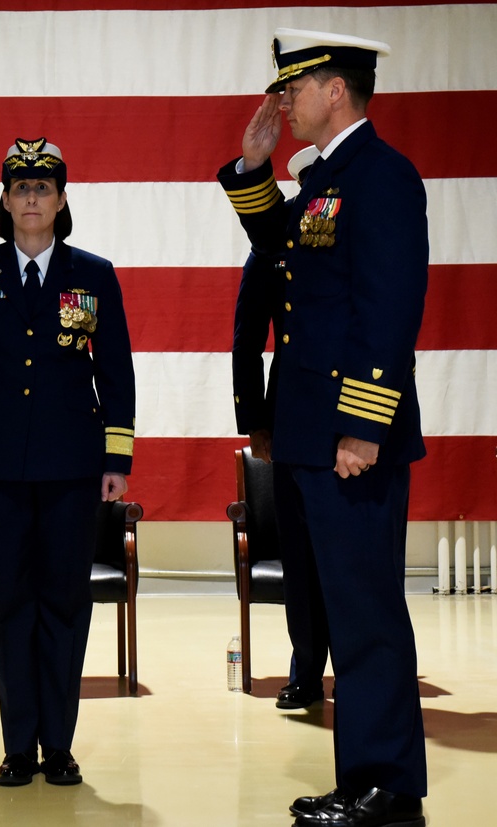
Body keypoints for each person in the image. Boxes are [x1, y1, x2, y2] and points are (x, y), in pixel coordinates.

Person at [218, 28, 429, 827]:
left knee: (369, 613)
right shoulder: (326, 181)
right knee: (345, 612)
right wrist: (252, 170)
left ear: (333, 90)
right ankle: (360, 781)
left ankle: (390, 790)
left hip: (351, 438)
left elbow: (389, 309)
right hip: (313, 434)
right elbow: (281, 250)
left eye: (292, 89)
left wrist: (363, 427)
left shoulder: (383, 177)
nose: (283, 101)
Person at [0, 138, 136, 787]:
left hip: (72, 468)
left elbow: (116, 372)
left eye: (42, 187)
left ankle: (59, 743)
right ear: (4, 199)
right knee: (11, 603)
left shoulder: (94, 274)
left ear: (60, 199)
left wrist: (117, 455)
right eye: (19, 187)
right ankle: (17, 745)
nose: (31, 198)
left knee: (64, 603)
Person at [231, 145, 331, 711]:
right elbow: (248, 342)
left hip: (350, 415)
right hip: (292, 420)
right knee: (302, 554)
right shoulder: (273, 248)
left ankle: (362, 673)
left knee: (359, 555)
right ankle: (306, 671)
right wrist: (256, 423)